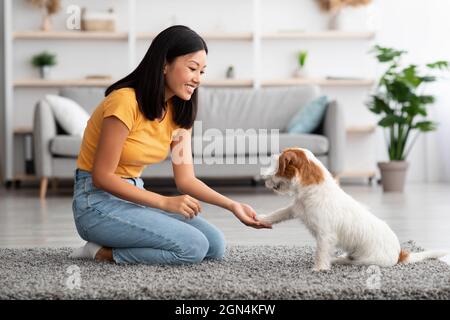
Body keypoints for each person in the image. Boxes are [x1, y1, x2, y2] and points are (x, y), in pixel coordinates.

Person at [70, 25, 271, 265]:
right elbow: (102, 177)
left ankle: (124, 239)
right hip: (95, 202)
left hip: (135, 195)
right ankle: (100, 252)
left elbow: (186, 180)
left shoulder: (179, 111)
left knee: (215, 244)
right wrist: (165, 202)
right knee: (193, 247)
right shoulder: (124, 101)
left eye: (202, 72)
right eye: (192, 68)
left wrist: (233, 205)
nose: (197, 78)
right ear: (165, 64)